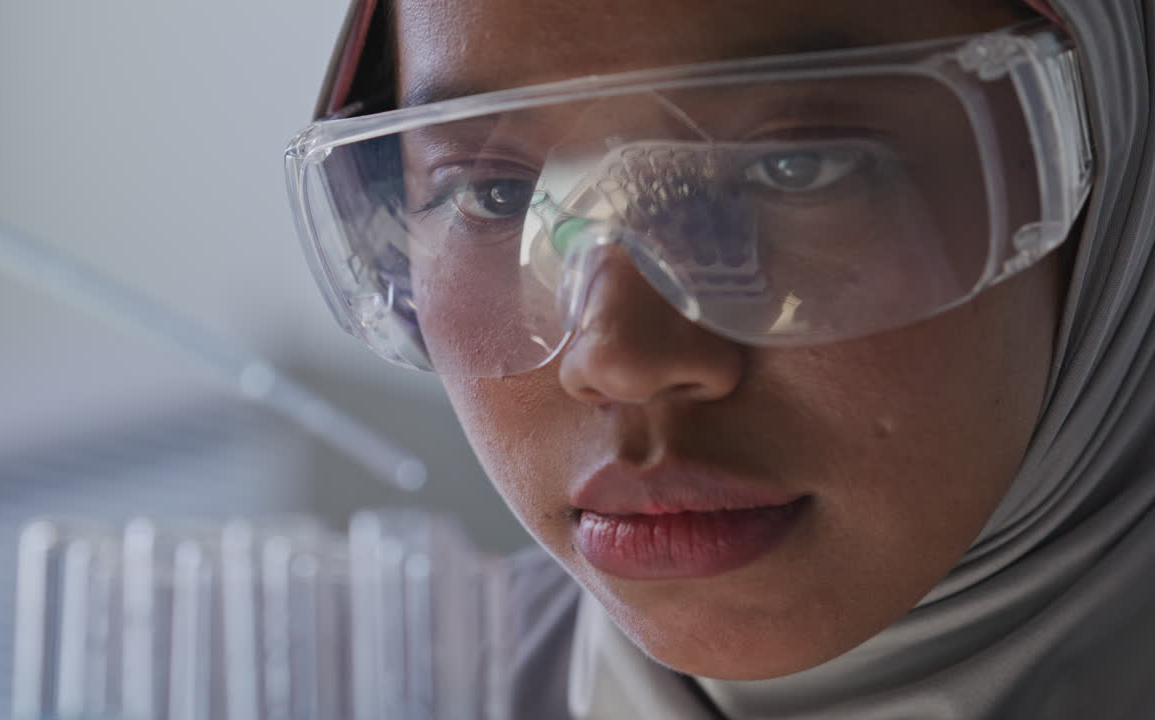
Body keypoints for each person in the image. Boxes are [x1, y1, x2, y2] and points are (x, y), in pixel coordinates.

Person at [287, 0, 1155, 717]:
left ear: (1111, 167)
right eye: (496, 192)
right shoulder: (375, 691)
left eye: (797, 166)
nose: (621, 359)